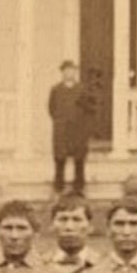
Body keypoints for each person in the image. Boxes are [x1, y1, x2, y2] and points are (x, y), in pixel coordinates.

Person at [48, 58, 91, 198]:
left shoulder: (82, 89)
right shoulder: (56, 90)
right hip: (62, 129)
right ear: (62, 73)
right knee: (60, 159)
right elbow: (51, 108)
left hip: (78, 129)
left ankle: (79, 187)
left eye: (72, 70)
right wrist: (60, 120)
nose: (69, 73)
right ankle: (58, 187)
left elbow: (87, 108)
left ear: (75, 72)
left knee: (79, 159)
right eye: (66, 71)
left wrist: (82, 124)